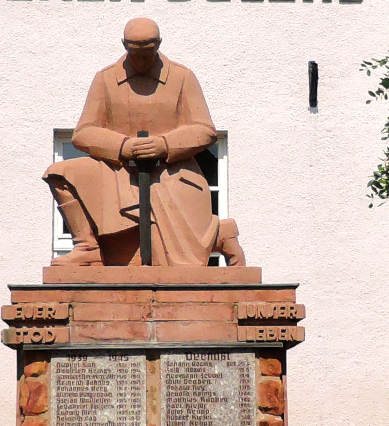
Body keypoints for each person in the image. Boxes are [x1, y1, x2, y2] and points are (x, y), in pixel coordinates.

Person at [43, 17, 245, 267]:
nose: (141, 60)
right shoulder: (105, 79)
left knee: (177, 259)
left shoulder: (182, 78)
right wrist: (121, 146)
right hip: (116, 170)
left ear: (159, 44)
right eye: (135, 53)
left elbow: (205, 130)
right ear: (124, 46)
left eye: (147, 53)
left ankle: (220, 233)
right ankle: (88, 246)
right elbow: (83, 132)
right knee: (60, 172)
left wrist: (165, 145)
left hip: (171, 173)